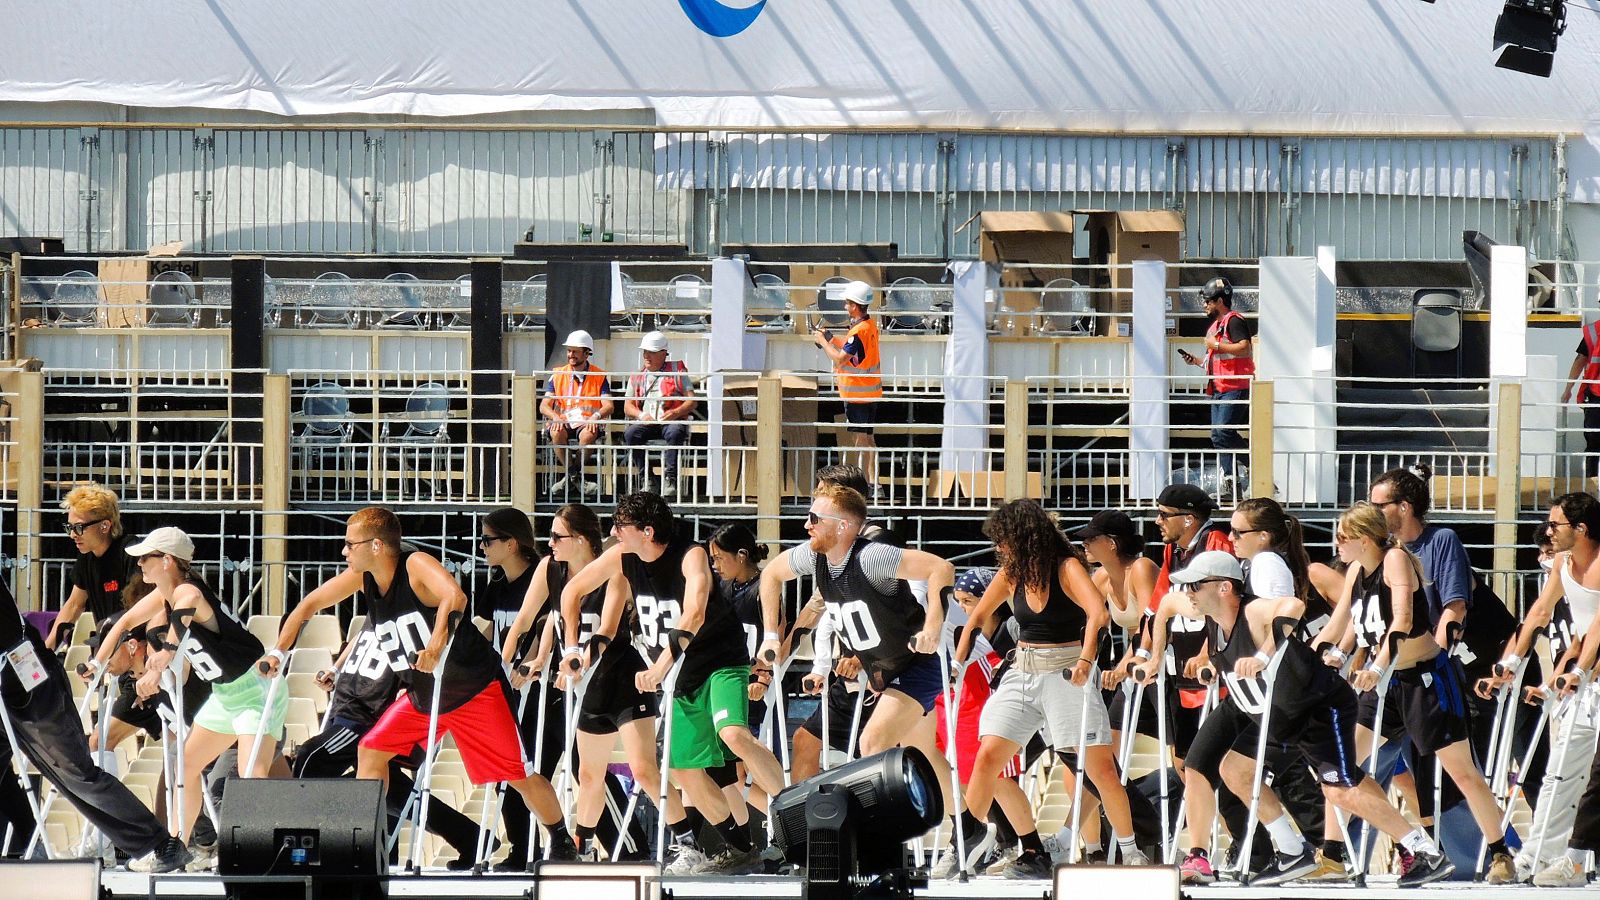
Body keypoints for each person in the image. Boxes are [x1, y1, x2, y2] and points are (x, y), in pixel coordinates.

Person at [262, 507, 579, 861]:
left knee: (518, 774)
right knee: (371, 750)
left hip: (472, 691)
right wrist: (278, 651)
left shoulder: (414, 566)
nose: (344, 551)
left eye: (351, 544)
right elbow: (307, 606)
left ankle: (561, 838)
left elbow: (455, 597)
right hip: (425, 697)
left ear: (377, 546)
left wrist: (435, 645)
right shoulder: (362, 578)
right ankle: (368, 843)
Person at [1142, 550, 1457, 887]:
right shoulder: (1206, 615)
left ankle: (1425, 852)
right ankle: (1293, 851)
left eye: (1194, 585)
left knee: (1339, 790)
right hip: (1278, 716)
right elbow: (1164, 607)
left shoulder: (1252, 610)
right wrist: (1152, 656)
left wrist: (1265, 654)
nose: (1187, 592)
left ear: (1223, 588)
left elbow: (1293, 606)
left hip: (1319, 709)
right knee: (1234, 769)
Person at [558, 492, 785, 875]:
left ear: (646, 531)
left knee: (732, 735)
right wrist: (571, 647)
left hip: (719, 662)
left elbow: (695, 612)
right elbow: (571, 592)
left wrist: (661, 666)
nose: (612, 533)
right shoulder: (622, 556)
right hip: (682, 675)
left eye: (620, 527)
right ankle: (740, 848)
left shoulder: (690, 554)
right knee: (680, 771)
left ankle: (791, 809)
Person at [1313, 502, 1515, 884]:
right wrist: (1330, 654)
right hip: (1386, 685)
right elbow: (1352, 621)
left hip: (1424, 679)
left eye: (1342, 536)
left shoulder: (1394, 560)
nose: (1336, 544)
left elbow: (1402, 619)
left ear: (1364, 538)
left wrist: (1375, 666)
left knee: (1462, 772)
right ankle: (1336, 854)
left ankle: (1500, 852)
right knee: (1339, 764)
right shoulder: (1357, 570)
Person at [952, 499, 1142, 877]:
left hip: (1066, 671)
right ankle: (969, 839)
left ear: (1022, 537)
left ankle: (1130, 850)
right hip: (1022, 671)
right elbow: (976, 616)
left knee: (1099, 768)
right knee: (988, 753)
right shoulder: (1013, 572)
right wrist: (958, 662)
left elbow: (1098, 613)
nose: (998, 548)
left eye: (1003, 540)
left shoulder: (1066, 566)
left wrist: (1087, 661)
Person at [82, 527, 285, 868]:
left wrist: (165, 656)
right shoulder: (163, 595)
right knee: (186, 765)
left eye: (147, 558)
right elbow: (124, 622)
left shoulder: (188, 591)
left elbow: (184, 614)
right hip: (225, 695)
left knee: (254, 773)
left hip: (256, 690)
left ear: (167, 560)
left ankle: (256, 853)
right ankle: (176, 846)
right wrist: (95, 663)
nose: (140, 564)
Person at [506, 503, 683, 864]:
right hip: (573, 686)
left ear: (582, 540)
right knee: (580, 773)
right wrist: (508, 664)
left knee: (641, 771)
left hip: (616, 678)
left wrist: (580, 659)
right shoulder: (550, 569)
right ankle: (576, 848)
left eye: (557, 536)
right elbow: (530, 620)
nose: (549, 542)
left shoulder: (614, 569)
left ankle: (670, 842)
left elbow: (606, 629)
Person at [0, 563, 190, 871]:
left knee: (74, 771)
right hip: (15, 668)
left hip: (24, 671)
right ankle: (27, 843)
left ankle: (159, 843)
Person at [291, 616, 486, 871]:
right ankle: (469, 837)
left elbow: (421, 669)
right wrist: (336, 669)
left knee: (309, 758)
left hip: (363, 718)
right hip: (345, 707)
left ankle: (299, 853)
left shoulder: (413, 617)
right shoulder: (377, 606)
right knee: (395, 793)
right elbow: (359, 640)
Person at [1476, 492, 1600, 886]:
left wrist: (1578, 671)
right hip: (1588, 684)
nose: (1548, 532)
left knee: (1595, 777)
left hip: (1590, 675)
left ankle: (1577, 859)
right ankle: (1536, 856)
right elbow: (1540, 613)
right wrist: (1510, 663)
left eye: (1555, 525)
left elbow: (1597, 630)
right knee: (1559, 772)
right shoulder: (1563, 564)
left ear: (1580, 529)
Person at [474, 507, 567, 868]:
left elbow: (541, 624)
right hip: (508, 690)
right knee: (511, 772)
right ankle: (519, 850)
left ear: (511, 543)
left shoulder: (541, 575)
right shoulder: (497, 583)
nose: (482, 547)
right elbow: (486, 630)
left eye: (488, 540)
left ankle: (621, 846)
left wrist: (525, 662)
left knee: (557, 770)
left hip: (545, 691)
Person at [1178, 276, 1253, 496]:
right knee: (1218, 436)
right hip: (1219, 388)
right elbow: (1217, 362)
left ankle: (1254, 466)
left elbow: (1244, 348)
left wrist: (1216, 345)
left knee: (1223, 432)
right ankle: (1230, 481)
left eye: (1208, 301)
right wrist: (1198, 361)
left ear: (1220, 301)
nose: (1205, 305)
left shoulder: (1234, 320)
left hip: (1235, 386)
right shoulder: (1215, 327)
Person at [812, 281, 882, 494]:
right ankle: (874, 483)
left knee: (861, 441)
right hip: (869, 393)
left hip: (857, 395)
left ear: (854, 305)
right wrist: (832, 338)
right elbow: (855, 351)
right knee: (868, 440)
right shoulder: (868, 326)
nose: (844, 306)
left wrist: (824, 343)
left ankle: (867, 486)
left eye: (847, 303)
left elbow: (840, 360)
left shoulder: (858, 331)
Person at [50, 483, 135, 651]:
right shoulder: (86, 557)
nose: (73, 535)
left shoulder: (131, 552)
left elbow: (141, 607)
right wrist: (46, 651)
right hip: (105, 645)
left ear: (105, 525)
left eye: (79, 527)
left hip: (133, 647)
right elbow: (74, 605)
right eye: (70, 528)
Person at [539, 329, 614, 498]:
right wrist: (555, 417)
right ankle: (575, 476)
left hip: (588, 421)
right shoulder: (558, 374)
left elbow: (609, 406)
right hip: (564, 420)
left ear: (587, 354)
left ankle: (570, 477)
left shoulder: (599, 375)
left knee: (588, 434)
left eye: (575, 351)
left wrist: (595, 417)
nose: (570, 355)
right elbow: (544, 405)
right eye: (569, 350)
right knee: (556, 431)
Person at [624, 331, 697, 499]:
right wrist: (641, 415)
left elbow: (692, 401)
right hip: (647, 422)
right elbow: (628, 406)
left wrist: (675, 412)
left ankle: (670, 477)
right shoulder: (637, 376)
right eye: (645, 352)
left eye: (651, 352)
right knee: (631, 433)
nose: (646, 356)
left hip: (671, 421)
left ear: (664, 353)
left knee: (675, 431)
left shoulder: (678, 372)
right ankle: (647, 478)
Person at [1561, 318, 1600, 488]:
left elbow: (1580, 360)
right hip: (1595, 395)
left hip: (1595, 395)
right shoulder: (1593, 331)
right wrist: (1568, 388)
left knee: (1594, 443)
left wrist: (1568, 389)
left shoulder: (1593, 331)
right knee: (1594, 443)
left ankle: (1592, 484)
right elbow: (1581, 359)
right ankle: (1592, 483)